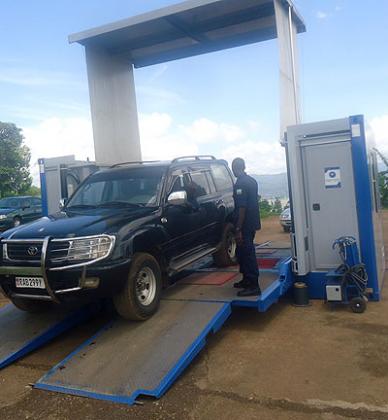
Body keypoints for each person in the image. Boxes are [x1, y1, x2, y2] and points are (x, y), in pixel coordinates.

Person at [231, 158, 261, 297]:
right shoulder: (252, 181)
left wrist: (238, 229)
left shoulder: (240, 184)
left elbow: (242, 207)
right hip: (252, 223)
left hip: (244, 225)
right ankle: (246, 280)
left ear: (234, 168)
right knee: (243, 253)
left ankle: (254, 285)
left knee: (248, 254)